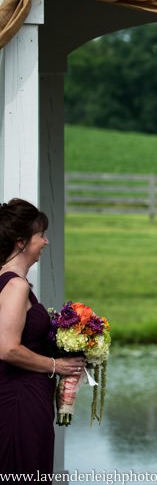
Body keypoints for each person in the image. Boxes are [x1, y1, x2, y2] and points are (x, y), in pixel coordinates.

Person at [0, 199, 85, 474]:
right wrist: (57, 365)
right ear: (21, 241)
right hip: (20, 399)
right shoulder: (15, 285)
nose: (46, 242)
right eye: (41, 235)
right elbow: (8, 349)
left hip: (24, 396)